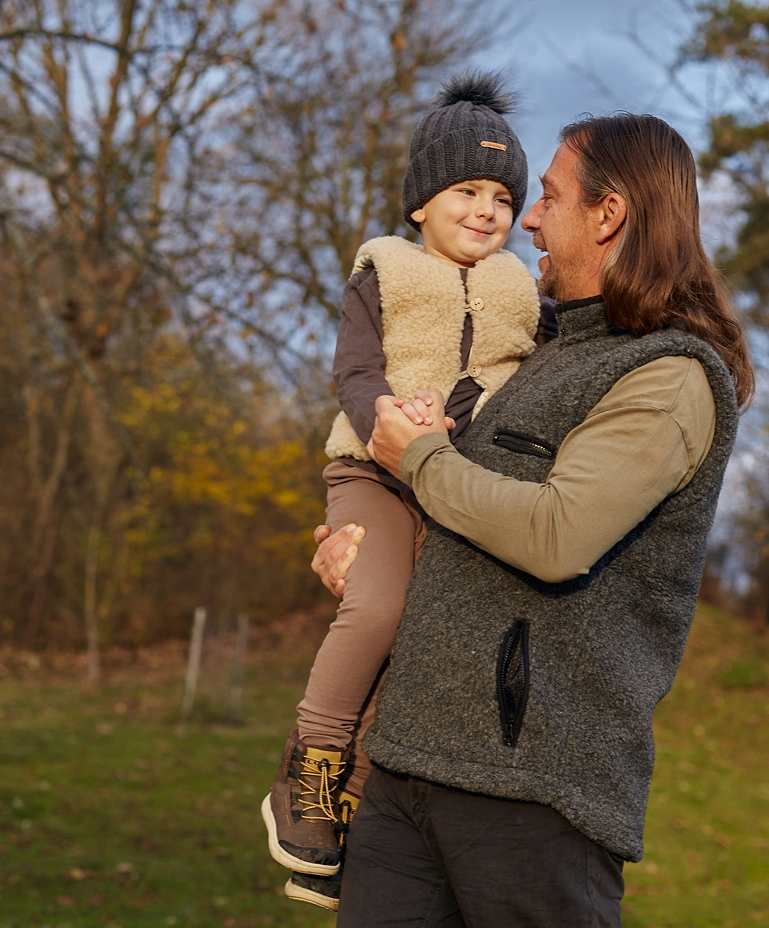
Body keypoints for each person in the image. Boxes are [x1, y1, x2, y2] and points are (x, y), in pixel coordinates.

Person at [313, 113, 754, 927]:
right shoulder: (531, 356)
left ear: (609, 214)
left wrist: (416, 458)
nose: (528, 218)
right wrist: (369, 552)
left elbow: (555, 534)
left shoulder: (668, 376)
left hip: (532, 794)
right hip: (406, 765)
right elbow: (458, 508)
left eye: (547, 196)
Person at [261, 71, 556, 911]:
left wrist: (456, 420)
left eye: (503, 195)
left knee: (423, 632)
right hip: (371, 471)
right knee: (379, 605)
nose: (487, 209)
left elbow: (514, 380)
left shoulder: (521, 291)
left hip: (455, 483)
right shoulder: (383, 271)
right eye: (466, 189)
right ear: (422, 202)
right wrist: (392, 419)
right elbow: (353, 368)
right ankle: (312, 758)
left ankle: (344, 797)